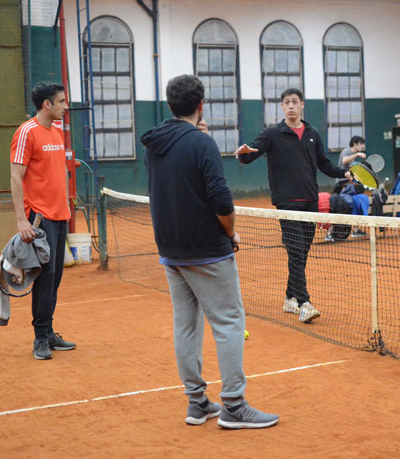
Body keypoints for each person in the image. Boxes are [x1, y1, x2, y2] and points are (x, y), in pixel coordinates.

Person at [142, 74, 278, 429]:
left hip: (170, 250)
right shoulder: (202, 144)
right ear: (200, 105)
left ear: (170, 105)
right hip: (207, 249)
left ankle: (197, 402)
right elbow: (221, 199)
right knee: (230, 322)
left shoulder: (154, 145)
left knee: (186, 326)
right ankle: (233, 405)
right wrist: (230, 233)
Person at [235, 88, 352, 323]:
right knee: (296, 250)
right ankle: (304, 303)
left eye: (294, 102)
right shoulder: (272, 134)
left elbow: (324, 164)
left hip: (310, 202)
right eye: (286, 102)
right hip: (287, 203)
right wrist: (242, 154)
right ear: (281, 107)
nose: (290, 106)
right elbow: (250, 154)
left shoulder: (312, 134)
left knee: (301, 252)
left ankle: (290, 296)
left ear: (302, 106)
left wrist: (345, 173)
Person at [10, 82, 75, 360]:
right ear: (47, 104)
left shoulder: (58, 131)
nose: (65, 106)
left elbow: (58, 169)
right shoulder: (26, 132)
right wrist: (21, 221)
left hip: (61, 216)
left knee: (56, 278)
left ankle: (49, 332)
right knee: (45, 278)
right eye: (61, 102)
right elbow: (16, 177)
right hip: (38, 218)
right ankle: (40, 338)